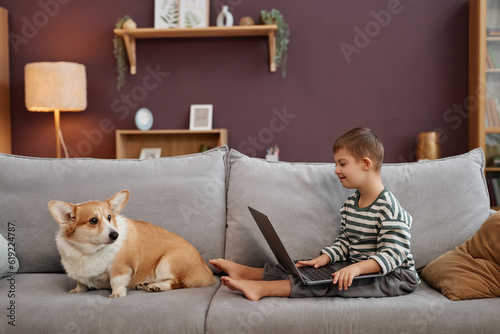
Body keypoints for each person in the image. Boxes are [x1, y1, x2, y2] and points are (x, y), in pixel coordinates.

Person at [210, 127, 419, 301]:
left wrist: (356, 269)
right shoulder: (350, 205)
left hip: (395, 276)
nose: (336, 169)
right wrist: (325, 257)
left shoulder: (389, 208)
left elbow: (394, 254)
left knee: (333, 284)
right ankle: (250, 273)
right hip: (360, 268)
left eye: (342, 163)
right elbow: (346, 241)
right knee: (308, 270)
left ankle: (263, 289)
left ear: (366, 164)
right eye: (336, 163)